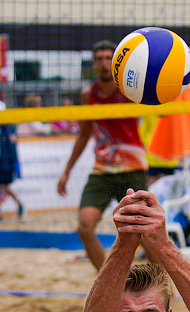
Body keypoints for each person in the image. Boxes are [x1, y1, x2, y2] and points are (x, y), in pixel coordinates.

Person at [57, 40, 149, 271]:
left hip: (132, 169)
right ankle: (109, 280)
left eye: (109, 58)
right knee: (85, 227)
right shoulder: (89, 94)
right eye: (99, 59)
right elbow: (84, 134)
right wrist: (67, 171)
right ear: (93, 64)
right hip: (103, 171)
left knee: (148, 233)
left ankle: (162, 285)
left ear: (116, 62)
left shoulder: (130, 89)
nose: (104, 63)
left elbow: (156, 103)